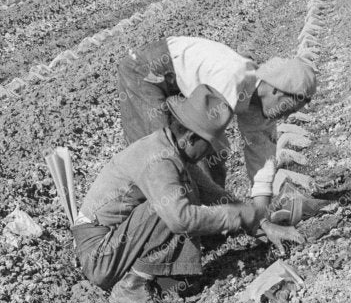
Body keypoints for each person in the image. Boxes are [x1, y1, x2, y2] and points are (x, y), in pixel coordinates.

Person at [75, 85, 302, 303]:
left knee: (186, 194)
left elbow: (213, 194)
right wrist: (237, 216)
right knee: (174, 205)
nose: (209, 153)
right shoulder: (159, 159)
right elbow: (179, 219)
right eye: (209, 145)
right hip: (100, 254)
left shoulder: (170, 150)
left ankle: (150, 279)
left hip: (115, 244)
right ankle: (131, 286)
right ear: (192, 138)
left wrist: (261, 223)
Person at [118, 35, 316, 203]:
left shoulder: (259, 104)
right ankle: (164, 221)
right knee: (162, 151)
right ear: (275, 89)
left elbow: (262, 156)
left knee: (212, 154)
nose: (287, 115)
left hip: (181, 84)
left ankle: (211, 217)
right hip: (146, 71)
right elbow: (194, 141)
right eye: (289, 107)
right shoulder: (231, 81)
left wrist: (261, 211)